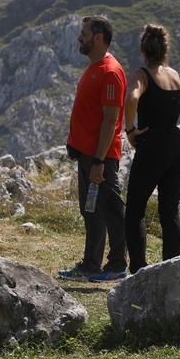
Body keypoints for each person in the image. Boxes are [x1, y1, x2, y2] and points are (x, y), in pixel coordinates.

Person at [123, 23, 180, 273]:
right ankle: (171, 269)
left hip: (152, 145)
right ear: (165, 50)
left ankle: (139, 270)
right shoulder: (176, 77)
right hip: (175, 147)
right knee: (169, 212)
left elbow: (131, 99)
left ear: (144, 50)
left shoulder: (142, 75)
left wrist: (130, 131)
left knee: (135, 210)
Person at [58, 15, 129, 282]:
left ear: (98, 37)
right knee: (91, 210)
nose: (79, 37)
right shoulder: (94, 67)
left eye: (84, 33)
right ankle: (91, 265)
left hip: (101, 157)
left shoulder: (110, 72)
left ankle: (118, 264)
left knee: (111, 209)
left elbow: (111, 120)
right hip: (87, 154)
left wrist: (99, 160)